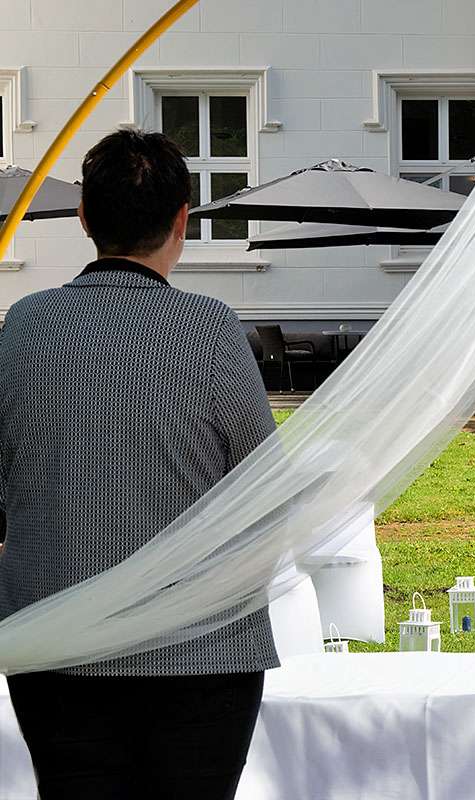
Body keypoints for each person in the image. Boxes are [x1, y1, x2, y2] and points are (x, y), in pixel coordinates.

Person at [0, 129, 278, 800]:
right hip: (200, 652)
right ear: (183, 219)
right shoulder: (211, 329)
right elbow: (267, 491)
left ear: (85, 217)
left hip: (55, 646)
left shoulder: (23, 327)